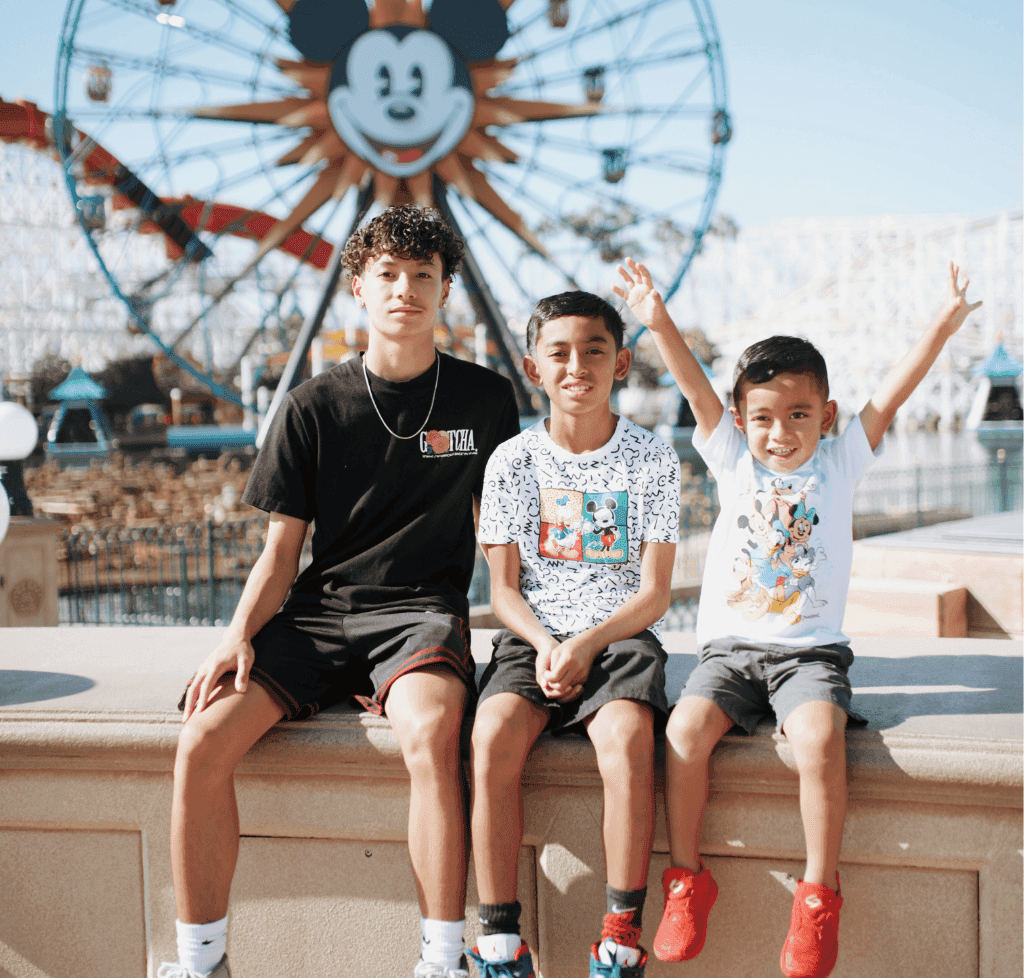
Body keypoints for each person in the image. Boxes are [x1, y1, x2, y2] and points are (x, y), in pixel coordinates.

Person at [159, 205, 521, 978]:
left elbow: (503, 540)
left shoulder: (485, 402)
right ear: (358, 286)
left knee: (429, 739)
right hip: (319, 617)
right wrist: (235, 637)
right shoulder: (311, 405)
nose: (405, 289)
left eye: (423, 275)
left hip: (420, 616)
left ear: (446, 288)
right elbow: (280, 554)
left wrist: (549, 631)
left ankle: (441, 958)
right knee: (200, 743)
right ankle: (199, 962)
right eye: (387, 274)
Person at [614, 258, 981, 978]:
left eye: (798, 416)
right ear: (740, 418)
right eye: (762, 418)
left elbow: (894, 394)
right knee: (683, 733)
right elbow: (693, 384)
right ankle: (686, 880)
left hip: (811, 655)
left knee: (818, 739)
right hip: (727, 653)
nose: (779, 433)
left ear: (827, 416)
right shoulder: (731, 460)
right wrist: (657, 320)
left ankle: (817, 894)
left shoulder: (843, 463)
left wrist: (943, 323)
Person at [469, 292, 681, 978]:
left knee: (625, 741)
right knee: (492, 735)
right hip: (532, 637)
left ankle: (620, 937)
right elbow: (503, 591)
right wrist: (547, 643)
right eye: (558, 352)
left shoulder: (651, 459)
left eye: (594, 350)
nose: (577, 365)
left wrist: (587, 643)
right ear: (534, 368)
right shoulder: (509, 463)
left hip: (619, 638)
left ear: (620, 364)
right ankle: (500, 940)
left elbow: (654, 592)